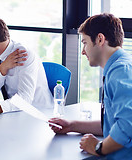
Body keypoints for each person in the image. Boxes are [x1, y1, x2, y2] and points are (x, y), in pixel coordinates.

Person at [49, 13, 132, 158]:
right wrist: (72, 125)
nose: (82, 51)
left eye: (85, 43)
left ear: (100, 39)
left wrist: (99, 147)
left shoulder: (120, 72)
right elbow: (113, 123)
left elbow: (127, 125)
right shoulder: (119, 66)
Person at [0, 15, 53, 115]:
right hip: (13, 112)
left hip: (37, 113)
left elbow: (25, 98)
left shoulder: (24, 54)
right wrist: (2, 69)